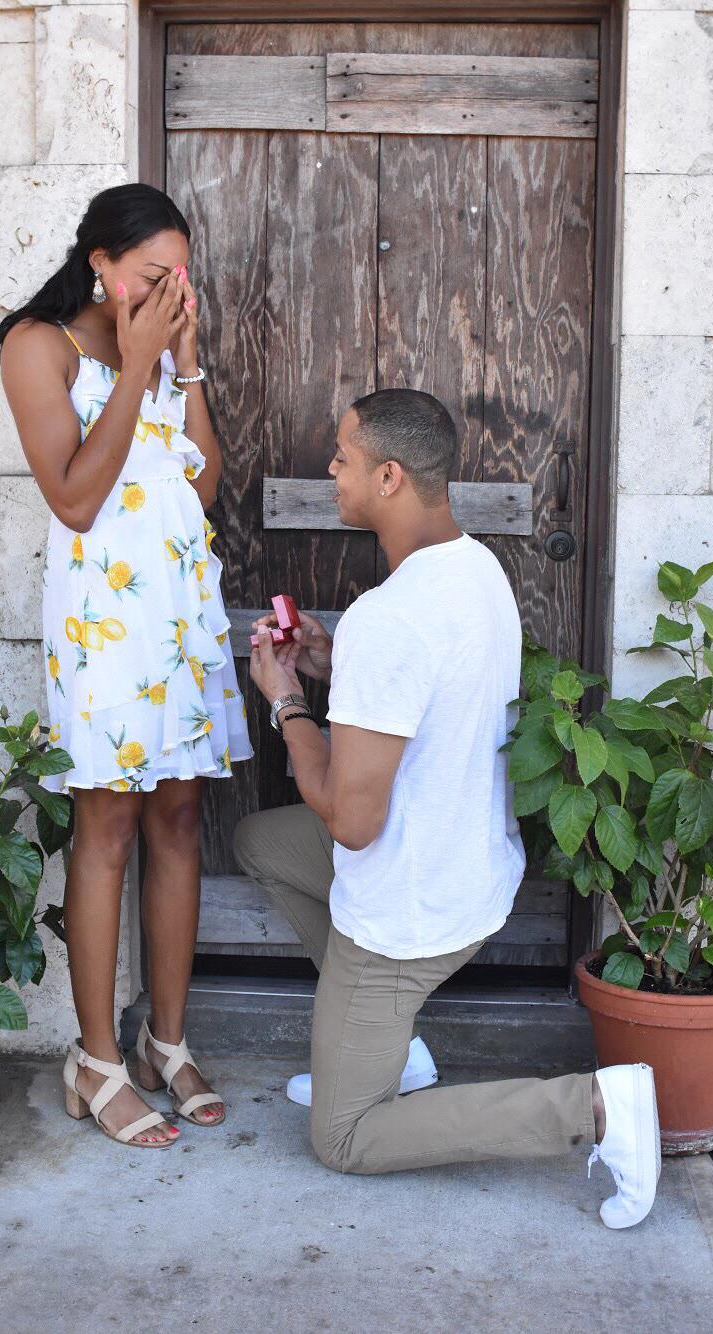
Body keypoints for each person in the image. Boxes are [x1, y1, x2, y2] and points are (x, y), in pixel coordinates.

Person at [234, 388, 660, 1229]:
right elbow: (424, 707)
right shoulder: (473, 569)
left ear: (389, 476)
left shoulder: (391, 617)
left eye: (343, 459)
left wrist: (286, 701)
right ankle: (394, 1052)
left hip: (410, 911)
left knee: (345, 1136)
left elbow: (352, 821)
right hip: (468, 870)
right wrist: (335, 665)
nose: (331, 470)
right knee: (261, 842)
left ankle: (596, 1109)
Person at [0, 183, 252, 1147]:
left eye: (180, 276)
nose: (169, 288)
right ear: (101, 263)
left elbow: (203, 485)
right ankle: (95, 1058)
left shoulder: (158, 351)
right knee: (105, 824)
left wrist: (180, 368)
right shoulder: (39, 346)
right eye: (153, 274)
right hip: (104, 627)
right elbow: (73, 499)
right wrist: (137, 364)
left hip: (177, 613)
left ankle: (166, 1043)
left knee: (180, 814)